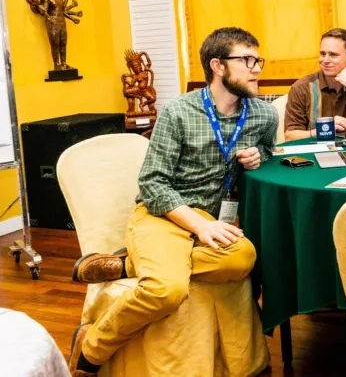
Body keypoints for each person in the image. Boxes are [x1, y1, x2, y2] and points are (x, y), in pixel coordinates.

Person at [67, 27, 277, 377]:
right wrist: (201, 225)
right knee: (168, 289)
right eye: (247, 60)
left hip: (213, 219)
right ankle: (91, 347)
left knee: (244, 257)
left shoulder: (263, 115)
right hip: (165, 214)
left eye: (259, 60)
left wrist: (260, 154)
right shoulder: (179, 112)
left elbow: (269, 150)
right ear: (218, 66)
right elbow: (152, 184)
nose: (257, 68)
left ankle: (129, 264)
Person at [284, 28, 346, 140]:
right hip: (316, 152)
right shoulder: (301, 88)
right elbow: (290, 136)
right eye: (322, 54)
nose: (325, 60)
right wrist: (326, 128)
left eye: (333, 55)